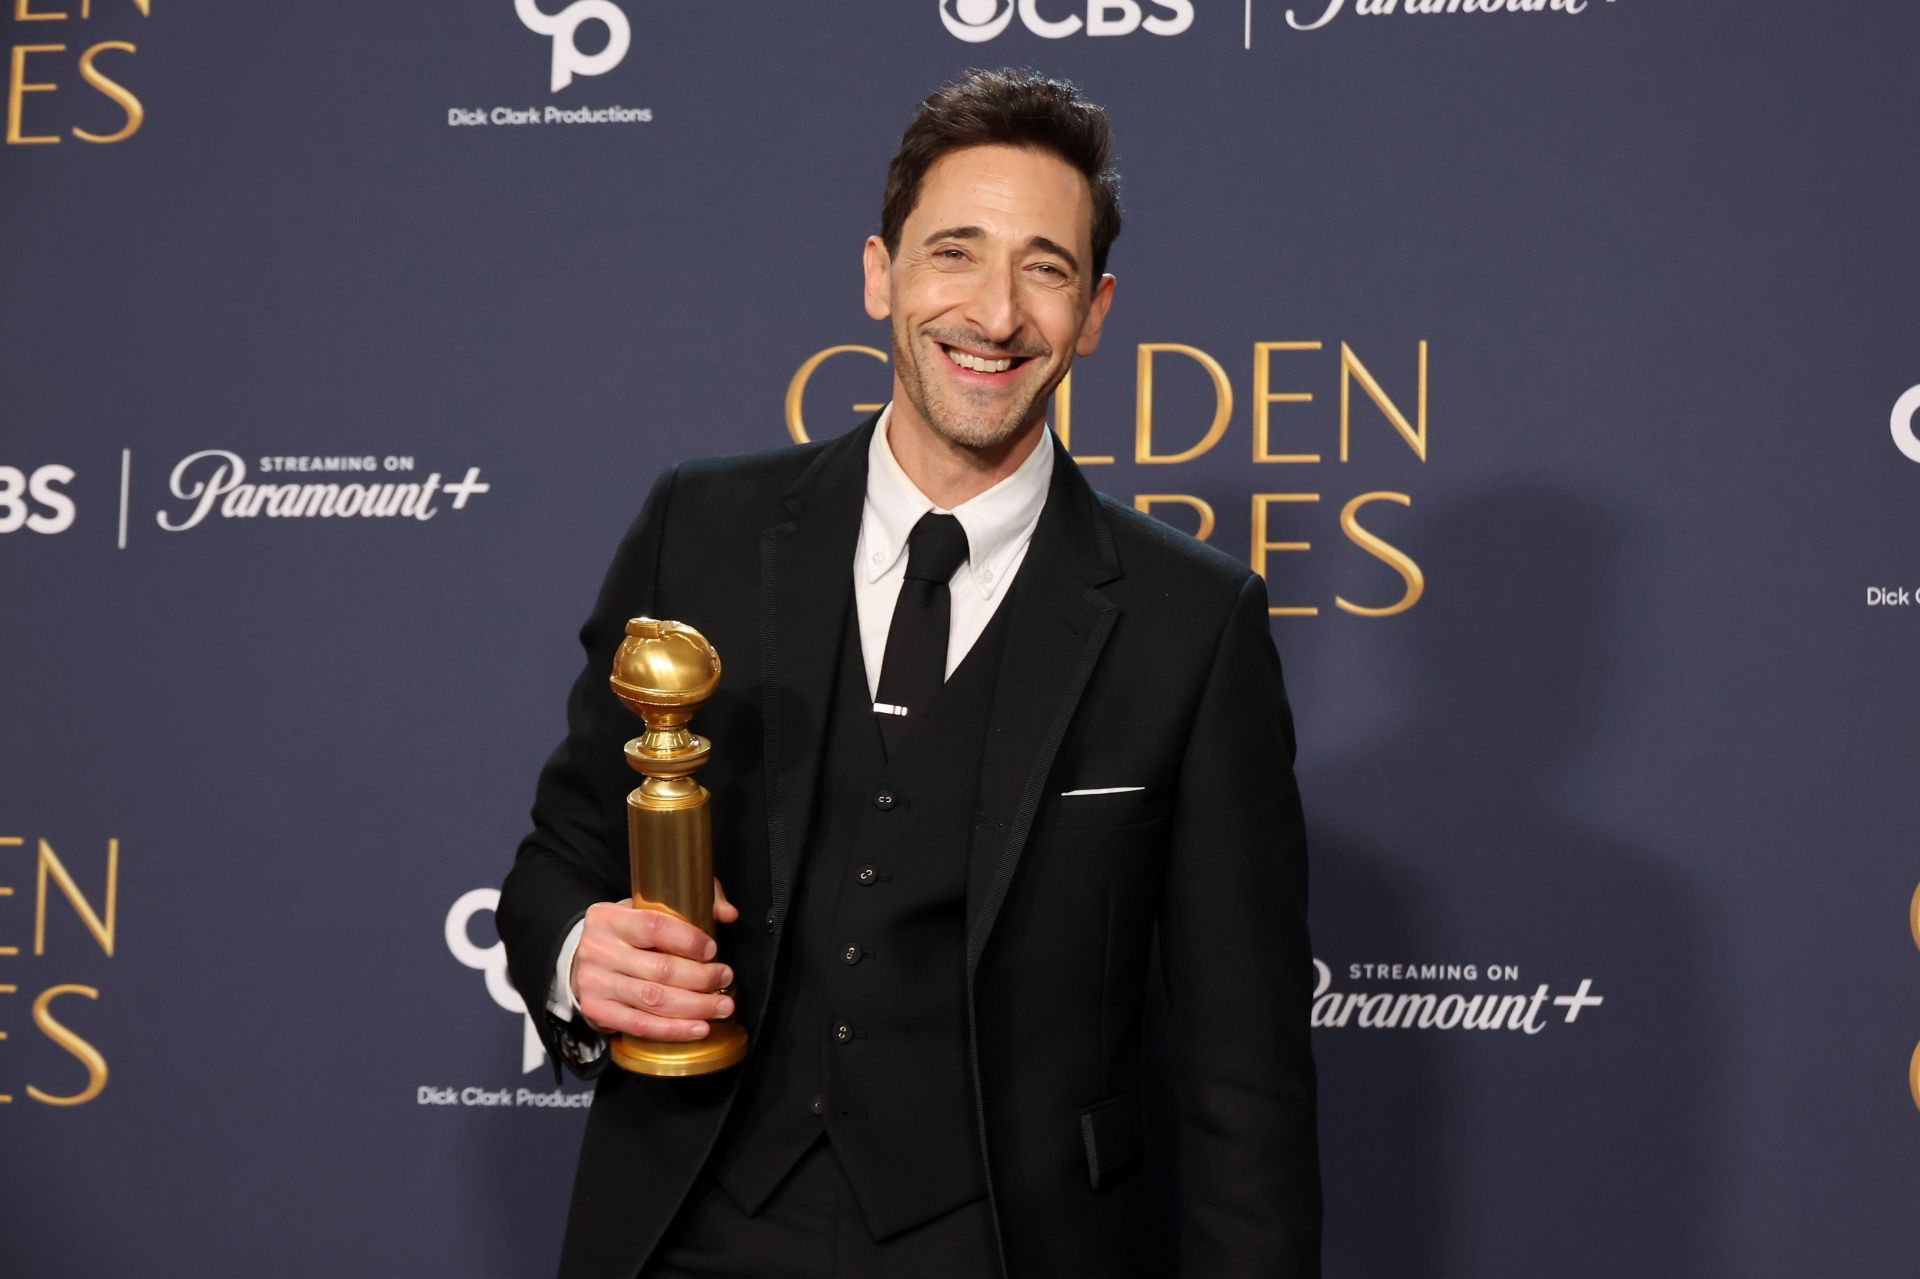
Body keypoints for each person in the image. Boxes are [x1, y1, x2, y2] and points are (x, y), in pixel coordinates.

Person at [498, 67, 1321, 1279]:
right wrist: (579, 951)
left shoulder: (1191, 622)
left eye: (1043, 267)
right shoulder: (702, 527)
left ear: (1094, 312)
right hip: (694, 1223)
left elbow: (1242, 1082)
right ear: (881, 274)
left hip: (1007, 1243)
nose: (994, 313)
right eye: (955, 252)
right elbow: (559, 860)